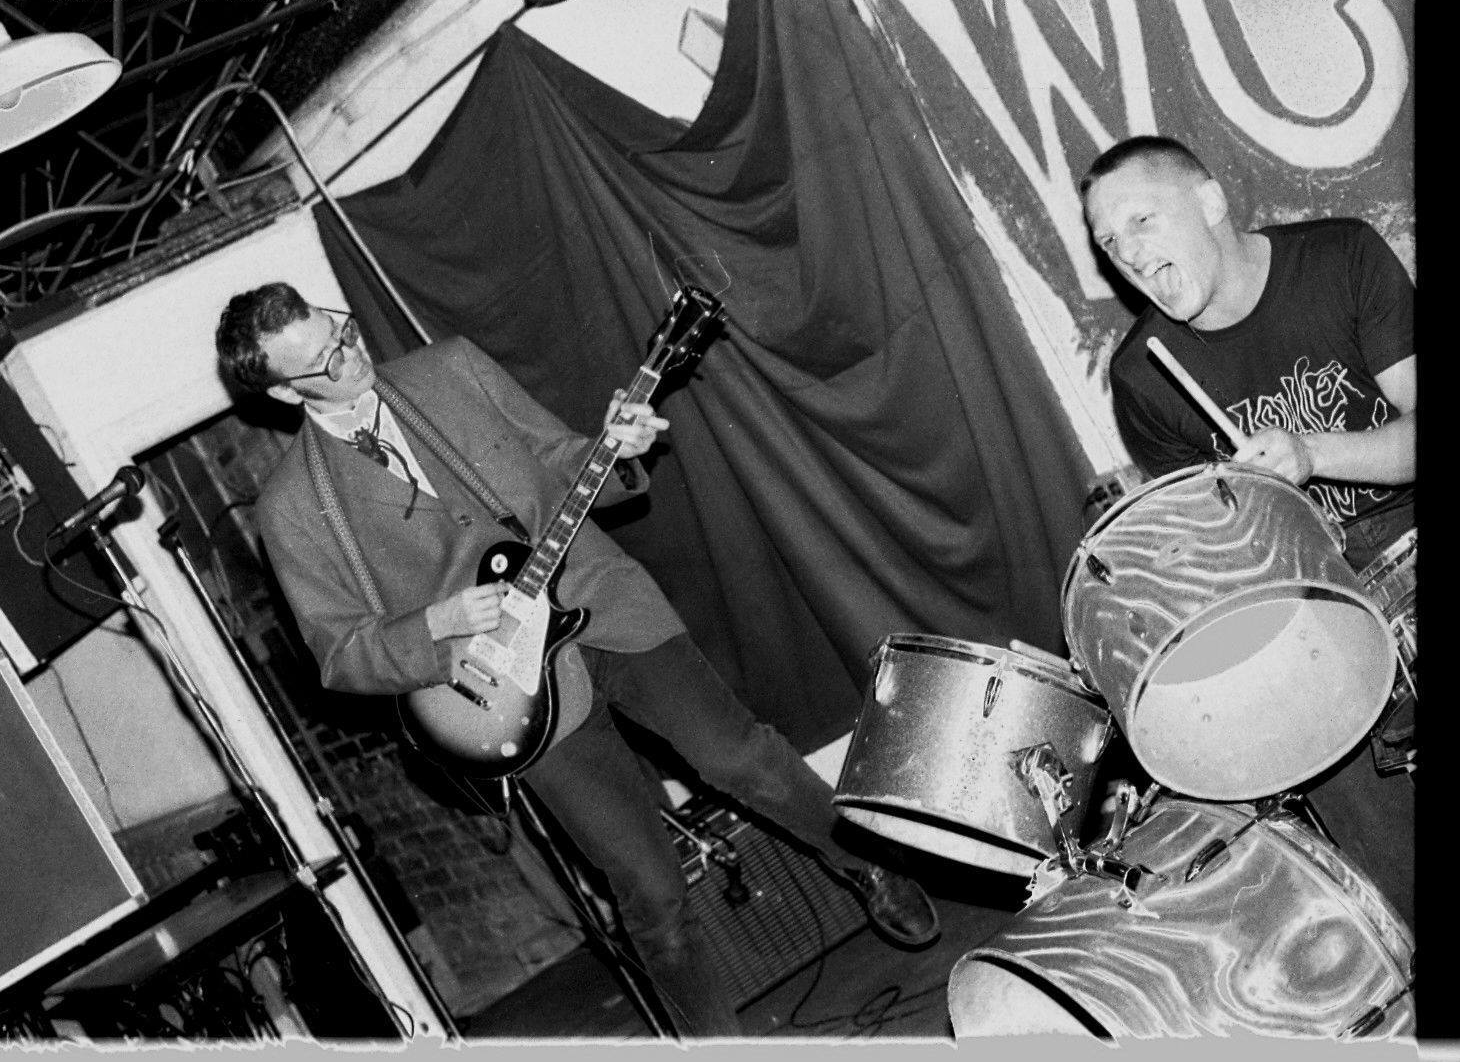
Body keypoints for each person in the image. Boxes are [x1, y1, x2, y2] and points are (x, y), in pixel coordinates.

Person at [215, 282, 939, 1038]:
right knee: (649, 890)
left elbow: (559, 460)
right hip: (506, 693)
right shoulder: (292, 506)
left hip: (604, 603)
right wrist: (435, 625)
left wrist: (617, 449)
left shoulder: (450, 367)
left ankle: (866, 863)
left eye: (341, 330)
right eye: (326, 361)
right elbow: (339, 653)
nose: (351, 353)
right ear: (283, 392)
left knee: (741, 756)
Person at [1079, 135, 1414, 926]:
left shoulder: (1339, 259)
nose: (1129, 252)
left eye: (1142, 220)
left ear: (1210, 202)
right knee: (1291, 726)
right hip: (1316, 601)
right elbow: (1231, 565)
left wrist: (1313, 453)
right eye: (1109, 242)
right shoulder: (1144, 374)